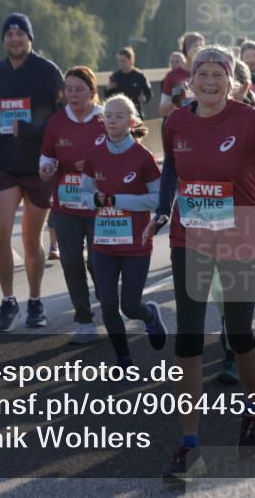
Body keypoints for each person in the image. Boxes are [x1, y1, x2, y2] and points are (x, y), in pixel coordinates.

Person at [142, 45, 255, 479]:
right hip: (191, 237)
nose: (209, 82)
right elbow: (171, 171)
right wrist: (164, 210)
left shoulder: (250, 120)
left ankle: (253, 409)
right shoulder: (177, 121)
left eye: (218, 74)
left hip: (240, 237)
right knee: (188, 338)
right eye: (202, 73)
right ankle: (189, 444)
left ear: (233, 82)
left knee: (239, 333)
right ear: (191, 80)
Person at [0, 13, 65, 332]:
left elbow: (60, 117)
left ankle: (35, 300)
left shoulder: (47, 71)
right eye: (9, 34)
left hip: (38, 165)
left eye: (20, 33)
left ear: (30, 38)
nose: (14, 38)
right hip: (5, 163)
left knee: (31, 239)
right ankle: (7, 299)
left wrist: (29, 130)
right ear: (3, 40)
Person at [79, 94, 166, 366]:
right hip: (103, 242)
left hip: (136, 244)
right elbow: (83, 192)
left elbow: (158, 198)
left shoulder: (143, 156)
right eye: (108, 116)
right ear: (102, 120)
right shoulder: (94, 155)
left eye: (119, 116)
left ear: (130, 122)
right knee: (107, 303)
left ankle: (150, 315)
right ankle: (123, 359)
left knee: (130, 305)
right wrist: (93, 200)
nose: (112, 121)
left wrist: (121, 200)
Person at [39, 67, 107, 343]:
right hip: (66, 203)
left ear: (92, 91)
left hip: (101, 203)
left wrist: (97, 164)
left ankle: (107, 296)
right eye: (68, 89)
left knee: (97, 260)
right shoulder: (57, 122)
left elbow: (129, 151)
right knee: (70, 260)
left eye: (79, 89)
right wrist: (46, 168)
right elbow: (46, 157)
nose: (73, 94)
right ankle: (84, 319)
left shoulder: (106, 117)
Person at [160, 33, 205, 117]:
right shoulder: (172, 75)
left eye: (202, 46)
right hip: (180, 125)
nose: (199, 50)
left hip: (204, 124)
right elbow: (162, 111)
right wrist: (176, 98)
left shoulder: (208, 74)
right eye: (196, 46)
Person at [105, 46, 152, 118]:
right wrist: (108, 89)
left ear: (130, 60)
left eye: (123, 60)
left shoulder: (139, 76)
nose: (120, 63)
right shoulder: (115, 77)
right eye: (119, 61)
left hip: (136, 114)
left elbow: (148, 92)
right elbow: (107, 97)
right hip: (119, 114)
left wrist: (144, 98)